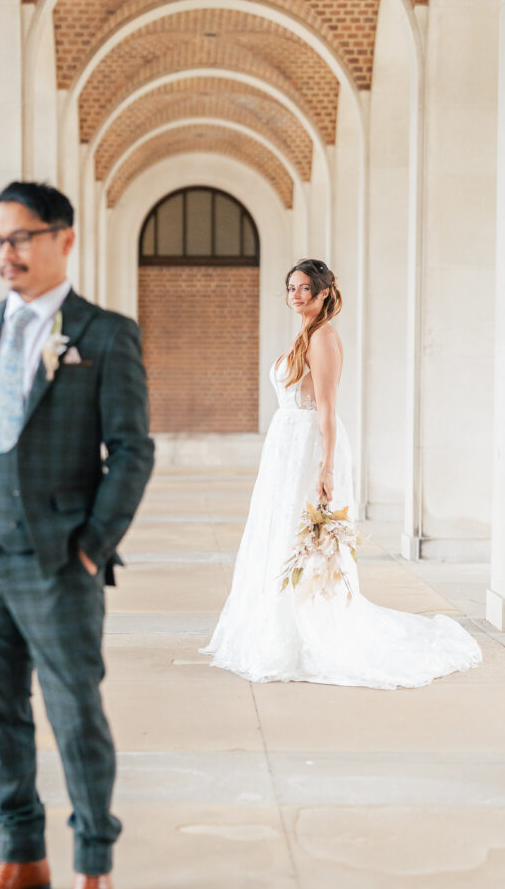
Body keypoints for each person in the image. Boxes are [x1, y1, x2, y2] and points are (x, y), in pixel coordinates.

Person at [0, 181, 154, 889]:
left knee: (74, 713)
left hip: (58, 561)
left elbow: (131, 452)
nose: (7, 254)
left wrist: (91, 548)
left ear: (64, 239)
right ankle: (19, 857)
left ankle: (93, 869)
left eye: (21, 237)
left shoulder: (105, 334)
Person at [201, 259, 481, 688]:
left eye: (303, 288)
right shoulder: (305, 334)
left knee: (304, 537)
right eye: (291, 288)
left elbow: (328, 408)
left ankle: (310, 626)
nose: (295, 295)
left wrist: (326, 467)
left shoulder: (324, 337)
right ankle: (276, 623)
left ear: (323, 292)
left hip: (310, 446)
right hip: (286, 447)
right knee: (279, 532)